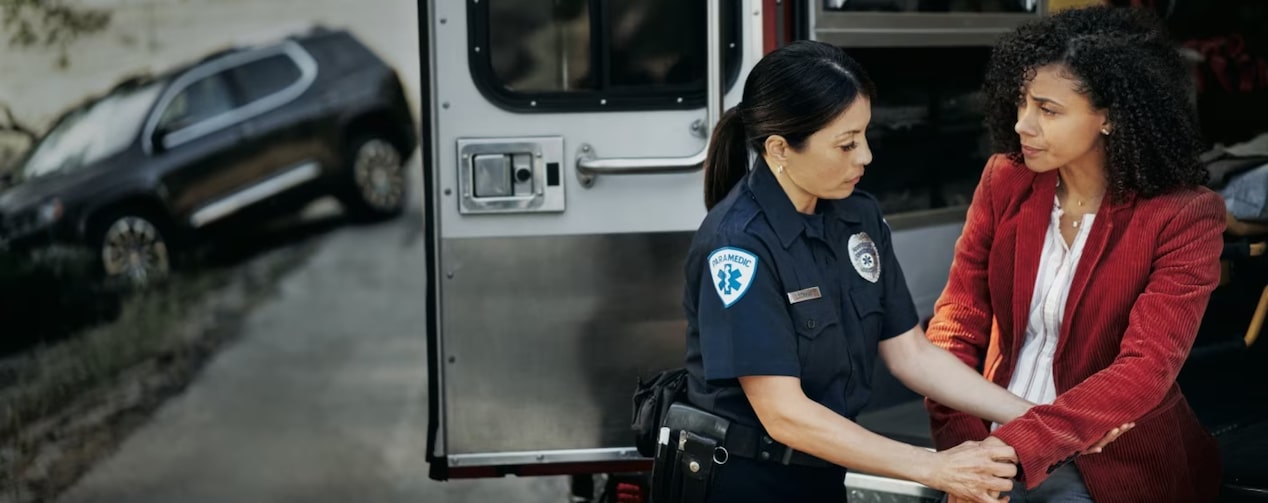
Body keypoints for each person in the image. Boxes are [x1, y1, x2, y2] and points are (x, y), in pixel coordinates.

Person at [675, 40, 1126, 503]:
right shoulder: (738, 246)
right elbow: (783, 414)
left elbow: (911, 353)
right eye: (847, 144)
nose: (866, 156)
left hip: (821, 474)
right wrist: (935, 467)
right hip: (744, 482)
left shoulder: (857, 216)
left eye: (865, 135)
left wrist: (1042, 419)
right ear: (780, 149)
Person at [925, 6, 1226, 502]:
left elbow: (1145, 369)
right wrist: (966, 446)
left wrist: (1012, 449)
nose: (1022, 124)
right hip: (983, 446)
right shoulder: (1006, 179)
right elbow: (958, 319)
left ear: (1109, 118)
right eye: (1022, 102)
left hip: (1107, 464)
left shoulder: (1184, 215)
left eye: (1048, 110)